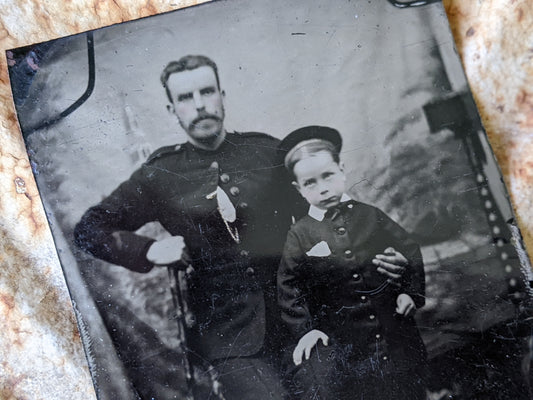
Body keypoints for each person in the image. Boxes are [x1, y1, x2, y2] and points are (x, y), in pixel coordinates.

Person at [74, 55, 296, 399]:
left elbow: (317, 218)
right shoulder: (161, 173)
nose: (199, 106)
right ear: (171, 109)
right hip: (229, 337)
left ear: (222, 94)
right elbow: (88, 229)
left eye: (207, 92)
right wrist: (149, 249)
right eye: (185, 98)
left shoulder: (267, 151)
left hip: (300, 315)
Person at [276, 126, 428, 400]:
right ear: (298, 189)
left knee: (409, 387)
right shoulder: (300, 233)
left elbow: (410, 249)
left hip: (394, 330)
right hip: (348, 343)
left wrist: (410, 292)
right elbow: (289, 286)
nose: (323, 189)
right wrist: (306, 331)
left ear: (342, 170)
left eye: (328, 176)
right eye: (311, 183)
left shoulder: (370, 215)